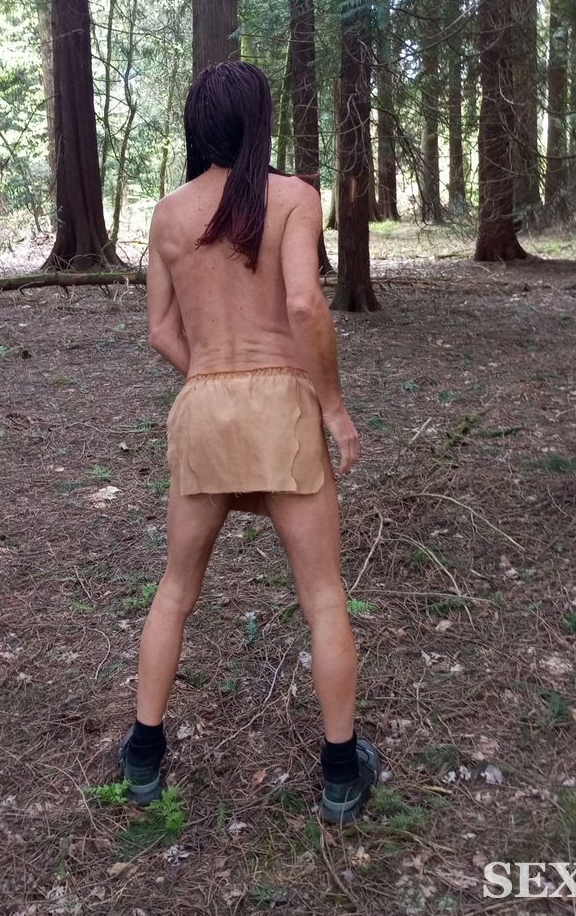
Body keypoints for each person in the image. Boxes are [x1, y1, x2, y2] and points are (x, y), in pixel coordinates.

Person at [118, 61, 379, 824]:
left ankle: (142, 755)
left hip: (204, 409)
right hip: (283, 411)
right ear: (258, 122)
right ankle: (340, 775)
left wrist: (212, 376)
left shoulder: (169, 214)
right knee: (322, 595)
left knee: (175, 589)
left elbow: (159, 330)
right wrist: (332, 406)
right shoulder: (293, 197)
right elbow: (303, 303)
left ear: (198, 126)